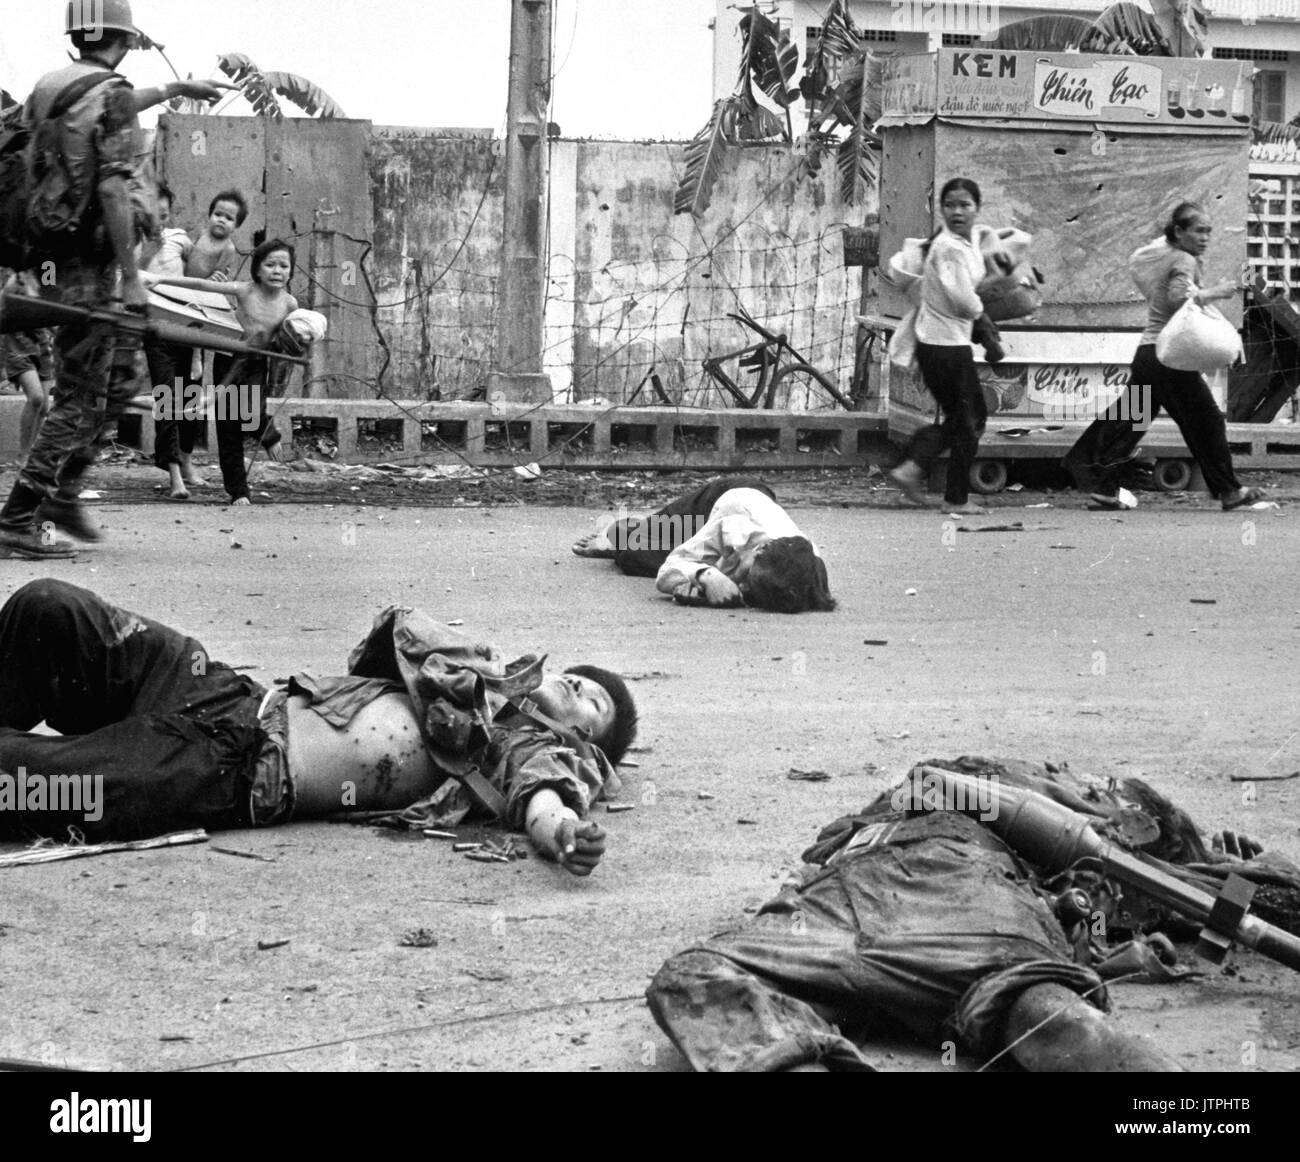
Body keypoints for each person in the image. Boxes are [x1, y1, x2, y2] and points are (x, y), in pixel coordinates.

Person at [647, 756, 1300, 1071]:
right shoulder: (1010, 793)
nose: (1081, 782)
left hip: (964, 884)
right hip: (857, 895)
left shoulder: (1094, 845)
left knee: (1043, 1009)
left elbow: (1259, 908)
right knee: (696, 973)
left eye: (1104, 794)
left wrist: (1248, 871)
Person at [0, 578, 639, 877]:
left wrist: (563, 834)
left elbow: (542, 798)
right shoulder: (480, 680)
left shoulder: (532, 748)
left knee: (30, 782)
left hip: (237, 768)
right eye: (583, 678)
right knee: (51, 611)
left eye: (596, 705)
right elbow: (384, 642)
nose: (583, 688)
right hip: (227, 691)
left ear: (589, 744)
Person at [0, 0, 232, 558]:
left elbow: (109, 109)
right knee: (85, 394)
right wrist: (132, 277)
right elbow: (110, 189)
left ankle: (64, 491)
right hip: (92, 265)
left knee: (122, 378)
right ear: (124, 39)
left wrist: (176, 91)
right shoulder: (109, 95)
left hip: (52, 257)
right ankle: (20, 516)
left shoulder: (55, 84)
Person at [1063, 202, 1264, 512]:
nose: (1205, 237)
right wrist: (1215, 291)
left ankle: (1101, 484)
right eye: (1199, 230)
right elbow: (1177, 298)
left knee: (1130, 420)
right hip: (1167, 358)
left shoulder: (1167, 256)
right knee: (1206, 420)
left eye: (1209, 231)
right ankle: (1229, 490)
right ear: (1179, 232)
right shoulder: (1184, 259)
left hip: (1148, 356)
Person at [145, 237, 298, 504]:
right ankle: (238, 492)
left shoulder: (290, 304)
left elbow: (300, 337)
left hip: (256, 363)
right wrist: (159, 281)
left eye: (284, 266)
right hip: (229, 359)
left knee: (249, 413)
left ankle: (269, 435)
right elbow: (202, 284)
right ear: (257, 270)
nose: (277, 271)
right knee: (228, 427)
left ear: (290, 271)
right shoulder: (244, 290)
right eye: (270, 265)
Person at [889, 177, 1001, 516]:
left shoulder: (966, 243)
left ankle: (911, 465)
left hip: (946, 343)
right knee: (970, 420)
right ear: (942, 208)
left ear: (977, 209)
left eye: (965, 205)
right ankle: (955, 497)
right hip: (943, 345)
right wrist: (987, 322)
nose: (957, 211)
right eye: (950, 204)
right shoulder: (948, 247)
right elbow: (964, 300)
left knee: (965, 417)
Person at [571, 476, 836, 612]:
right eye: (743, 576)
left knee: (651, 555)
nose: (739, 585)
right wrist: (707, 577)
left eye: (749, 587)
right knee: (631, 553)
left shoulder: (806, 566)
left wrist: (693, 588)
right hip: (718, 502)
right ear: (758, 549)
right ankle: (621, 532)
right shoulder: (737, 520)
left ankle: (653, 530)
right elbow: (668, 570)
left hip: (750, 513)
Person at [142, 183, 205, 500]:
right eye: (154, 209)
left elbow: (199, 276)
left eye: (164, 211)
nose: (160, 215)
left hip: (187, 327)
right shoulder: (136, 244)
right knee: (166, 397)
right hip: (156, 330)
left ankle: (188, 461)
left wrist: (214, 278)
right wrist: (146, 254)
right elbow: (129, 281)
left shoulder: (181, 238)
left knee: (191, 398)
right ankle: (174, 475)